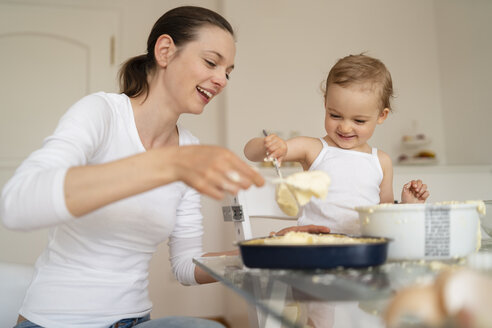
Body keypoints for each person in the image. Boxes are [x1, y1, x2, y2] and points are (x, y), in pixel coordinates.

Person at [0, 6, 266, 328]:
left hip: (134, 321)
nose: (222, 79)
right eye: (212, 62)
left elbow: (184, 265)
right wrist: (166, 164)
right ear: (165, 51)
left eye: (228, 71)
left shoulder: (188, 148)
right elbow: (16, 204)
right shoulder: (102, 113)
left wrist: (263, 256)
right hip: (56, 320)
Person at [244, 54, 430, 236]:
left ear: (381, 115)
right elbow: (250, 153)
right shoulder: (313, 149)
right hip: (316, 247)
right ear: (326, 104)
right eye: (335, 115)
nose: (345, 127)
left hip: (362, 251)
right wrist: (270, 146)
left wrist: (408, 205)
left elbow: (384, 217)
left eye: (358, 120)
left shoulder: (381, 162)